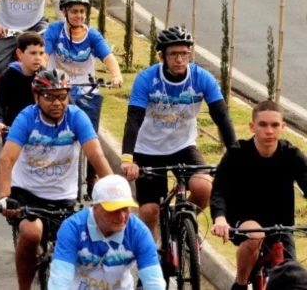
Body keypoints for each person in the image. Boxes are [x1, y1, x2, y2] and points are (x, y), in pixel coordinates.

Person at [0, 68, 113, 290]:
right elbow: (6, 159)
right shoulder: (26, 117)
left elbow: (96, 156)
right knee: (31, 233)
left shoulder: (76, 117)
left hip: (64, 197)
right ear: (36, 96)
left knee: (81, 247)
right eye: (49, 97)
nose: (57, 103)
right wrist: (4, 197)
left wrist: (116, 193)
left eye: (62, 96)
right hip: (28, 193)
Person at [120, 25, 237, 233]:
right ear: (161, 56)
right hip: (148, 149)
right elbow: (134, 119)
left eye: (184, 53)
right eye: (173, 54)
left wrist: (235, 154)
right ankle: (152, 249)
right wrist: (128, 158)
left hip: (183, 146)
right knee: (149, 212)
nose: (180, 59)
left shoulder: (201, 78)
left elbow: (221, 116)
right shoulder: (146, 79)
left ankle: (181, 227)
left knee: (204, 188)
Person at [210, 100, 307, 290]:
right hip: (244, 220)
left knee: (293, 278)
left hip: (281, 226)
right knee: (255, 235)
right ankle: (240, 284)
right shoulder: (237, 153)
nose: (269, 131)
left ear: (283, 127)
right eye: (263, 125)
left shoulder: (292, 155)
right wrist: (220, 218)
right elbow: (219, 190)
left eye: (275, 125)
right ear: (252, 127)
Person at [45, 0, 123, 196]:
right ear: (64, 12)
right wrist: (41, 73)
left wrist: (116, 75)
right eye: (74, 11)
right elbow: (44, 55)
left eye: (82, 11)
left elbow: (108, 58)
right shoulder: (54, 31)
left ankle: (92, 178)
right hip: (58, 88)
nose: (79, 15)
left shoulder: (93, 36)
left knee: (90, 136)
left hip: (86, 89)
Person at [48, 175, 165, 290]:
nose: (121, 216)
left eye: (125, 208)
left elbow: (154, 282)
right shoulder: (72, 228)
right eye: (113, 210)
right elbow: (60, 281)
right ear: (95, 208)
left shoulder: (139, 231)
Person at [0, 32, 44, 139]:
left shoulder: (45, 76)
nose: (38, 58)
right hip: (14, 128)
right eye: (33, 53)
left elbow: (64, 101)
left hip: (40, 129)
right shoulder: (8, 76)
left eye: (41, 53)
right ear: (20, 54)